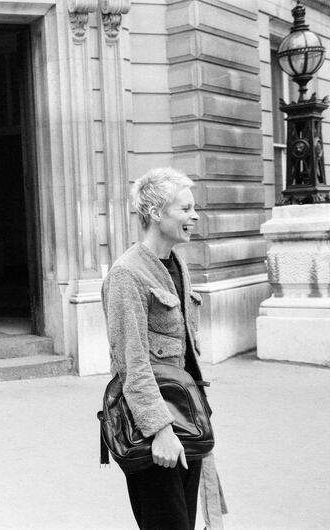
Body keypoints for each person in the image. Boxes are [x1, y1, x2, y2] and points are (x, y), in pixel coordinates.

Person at [101, 167, 223, 529]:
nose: (194, 216)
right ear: (155, 213)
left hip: (186, 418)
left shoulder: (175, 263)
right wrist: (161, 431)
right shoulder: (127, 274)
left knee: (184, 520)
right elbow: (131, 364)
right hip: (153, 430)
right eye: (185, 208)